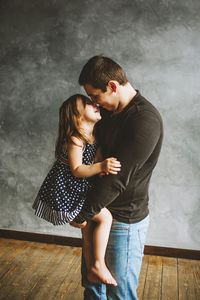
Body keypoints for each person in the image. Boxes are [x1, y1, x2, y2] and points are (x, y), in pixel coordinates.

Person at [73, 55, 163, 299]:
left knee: (118, 294)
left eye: (95, 96)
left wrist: (83, 214)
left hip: (125, 220)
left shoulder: (145, 119)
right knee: (92, 288)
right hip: (98, 212)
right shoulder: (106, 115)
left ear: (112, 86)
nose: (95, 103)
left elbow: (117, 178)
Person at [32, 94, 121, 286]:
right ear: (76, 115)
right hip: (66, 191)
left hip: (78, 188)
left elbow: (95, 162)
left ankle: (91, 270)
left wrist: (101, 168)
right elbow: (78, 169)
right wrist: (101, 167)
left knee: (88, 229)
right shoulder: (76, 139)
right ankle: (97, 264)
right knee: (105, 217)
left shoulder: (93, 137)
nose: (95, 104)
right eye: (88, 104)